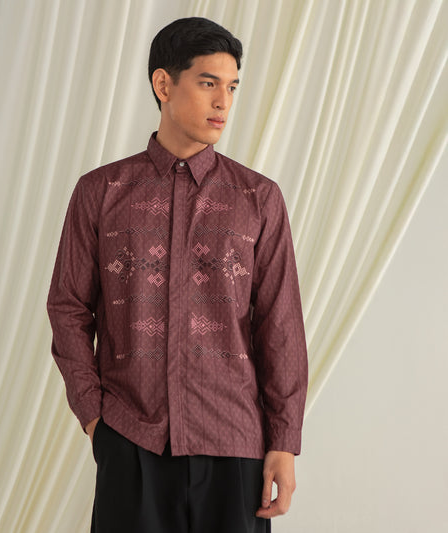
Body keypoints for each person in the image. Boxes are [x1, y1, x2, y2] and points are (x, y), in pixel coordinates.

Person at [47, 16, 308, 533]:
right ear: (164, 84)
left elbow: (279, 323)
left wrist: (284, 440)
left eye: (232, 87)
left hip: (235, 445)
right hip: (131, 439)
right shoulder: (101, 192)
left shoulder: (258, 198)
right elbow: (68, 307)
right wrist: (95, 416)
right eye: (208, 83)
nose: (223, 102)